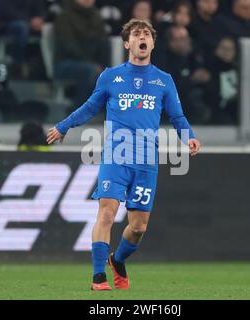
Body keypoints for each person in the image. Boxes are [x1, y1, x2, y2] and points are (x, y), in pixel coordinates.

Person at [46, 19, 201, 290]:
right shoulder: (111, 76)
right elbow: (89, 107)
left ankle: (117, 260)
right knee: (107, 214)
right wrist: (63, 126)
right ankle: (98, 278)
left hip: (146, 161)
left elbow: (177, 116)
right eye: (136, 34)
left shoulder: (163, 80)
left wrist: (189, 137)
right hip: (116, 157)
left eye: (146, 35)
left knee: (138, 228)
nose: (142, 38)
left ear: (152, 43)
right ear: (127, 43)